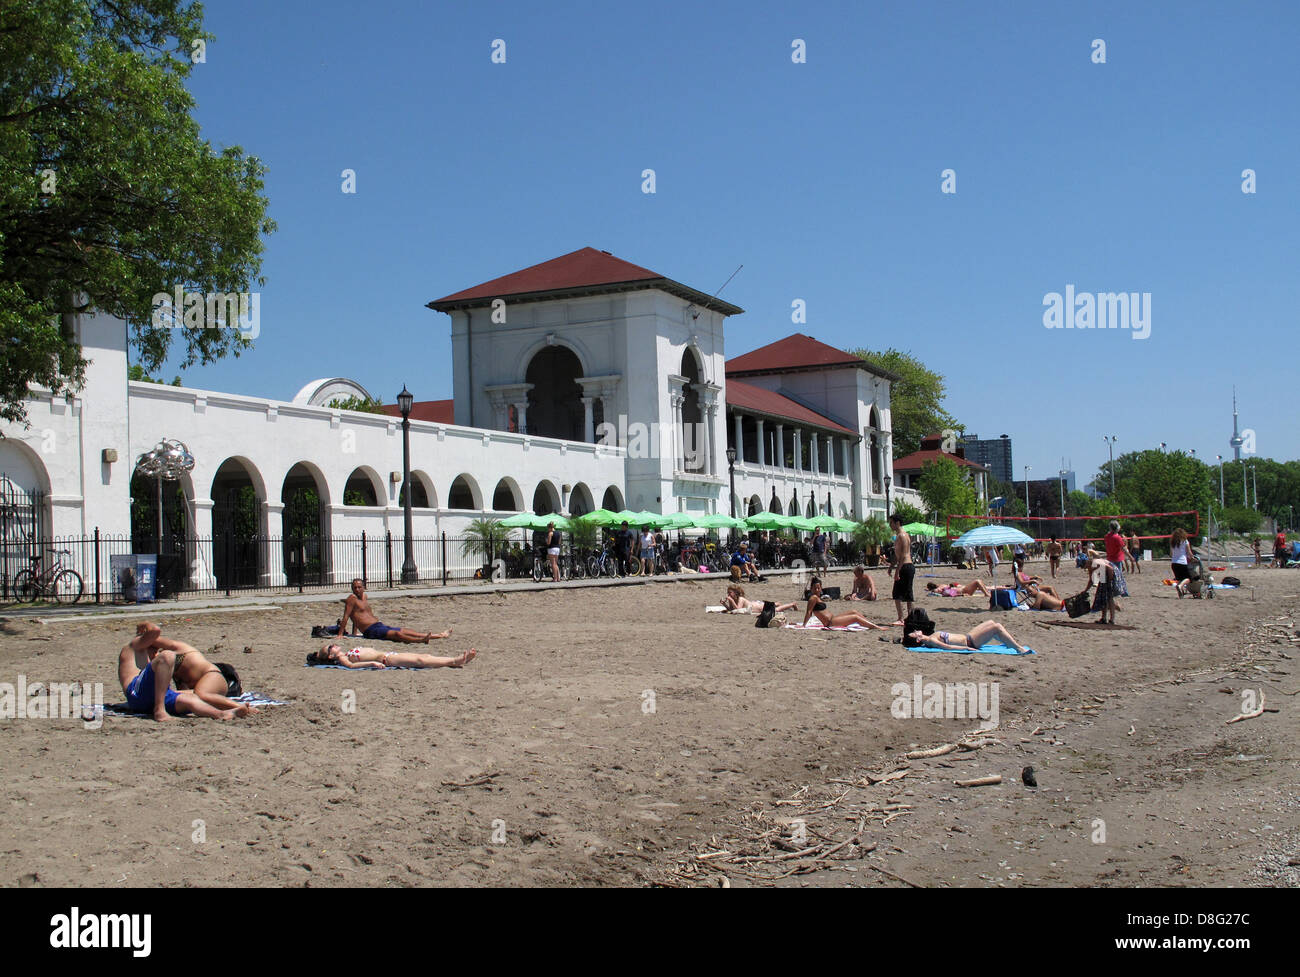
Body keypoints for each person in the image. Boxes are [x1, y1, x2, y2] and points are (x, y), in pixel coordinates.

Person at [118, 623, 256, 721]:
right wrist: (144, 626)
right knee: (168, 657)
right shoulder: (133, 648)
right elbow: (154, 632)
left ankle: (221, 714)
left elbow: (155, 632)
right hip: (136, 694)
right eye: (153, 650)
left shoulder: (174, 649)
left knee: (192, 699)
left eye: (156, 650)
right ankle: (159, 710)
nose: (155, 654)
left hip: (210, 675)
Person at [340, 578, 451, 643]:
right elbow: (347, 616)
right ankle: (421, 641)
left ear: (364, 587)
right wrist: (340, 634)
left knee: (405, 630)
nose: (357, 589)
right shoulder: (351, 599)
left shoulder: (365, 597)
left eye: (359, 587)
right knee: (397, 634)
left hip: (378, 625)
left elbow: (357, 616)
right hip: (370, 631)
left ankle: (439, 635)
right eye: (355, 587)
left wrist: (354, 633)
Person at [802, 577, 888, 630]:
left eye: (818, 588)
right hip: (830, 623)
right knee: (855, 617)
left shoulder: (817, 597)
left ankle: (870, 624)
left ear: (821, 588)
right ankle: (876, 627)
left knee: (854, 611)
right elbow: (809, 612)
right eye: (815, 588)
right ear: (811, 588)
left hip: (833, 618)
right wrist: (803, 625)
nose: (817, 590)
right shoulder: (813, 598)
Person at [310, 643, 477, 669]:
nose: (334, 645)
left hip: (388, 654)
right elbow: (352, 666)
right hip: (386, 659)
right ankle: (455, 661)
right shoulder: (342, 658)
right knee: (420, 660)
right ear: (331, 656)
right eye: (330, 647)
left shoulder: (346, 653)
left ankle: (453, 661)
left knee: (423, 655)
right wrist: (371, 664)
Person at [907, 620, 1030, 654]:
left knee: (991, 622)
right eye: (915, 633)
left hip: (969, 637)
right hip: (971, 643)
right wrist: (967, 649)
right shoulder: (932, 640)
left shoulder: (930, 637)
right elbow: (948, 647)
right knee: (996, 627)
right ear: (918, 639)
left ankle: (1007, 641)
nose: (917, 631)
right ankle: (1018, 648)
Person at [1083, 550, 1121, 624]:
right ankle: (1103, 618)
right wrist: (1085, 590)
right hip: (1104, 575)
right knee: (1103, 597)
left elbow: (1110, 568)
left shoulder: (1095, 562)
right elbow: (1092, 580)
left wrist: (1110, 581)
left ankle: (1112, 619)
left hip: (1111, 573)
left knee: (1109, 597)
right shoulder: (1090, 567)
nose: (1084, 567)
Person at [889, 515, 914, 625]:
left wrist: (897, 571)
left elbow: (903, 555)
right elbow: (897, 555)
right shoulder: (899, 536)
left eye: (891, 523)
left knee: (901, 593)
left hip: (906, 566)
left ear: (897, 523)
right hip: (904, 565)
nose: (890, 525)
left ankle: (902, 618)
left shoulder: (903, 536)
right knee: (901, 593)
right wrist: (891, 566)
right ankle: (906, 617)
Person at [722, 584, 798, 614]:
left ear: (735, 593)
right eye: (728, 593)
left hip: (758, 607)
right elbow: (731, 609)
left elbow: (737, 609)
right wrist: (724, 604)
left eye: (730, 593)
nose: (728, 594)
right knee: (773, 607)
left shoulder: (740, 599)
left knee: (776, 610)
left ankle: (792, 604)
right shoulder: (733, 600)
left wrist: (731, 600)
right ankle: (776, 604)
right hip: (756, 606)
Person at [1102, 521, 1130, 600]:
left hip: (1110, 559)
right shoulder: (1117, 537)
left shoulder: (1107, 536)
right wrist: (1130, 557)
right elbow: (1123, 549)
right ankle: (1122, 592)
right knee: (1119, 576)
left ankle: (1117, 592)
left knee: (1112, 576)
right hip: (1117, 559)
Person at [926, 579, 992, 598]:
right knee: (977, 581)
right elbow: (954, 594)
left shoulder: (944, 589)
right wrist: (962, 595)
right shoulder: (945, 591)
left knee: (979, 581)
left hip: (964, 589)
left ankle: (987, 593)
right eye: (938, 591)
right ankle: (986, 593)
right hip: (965, 591)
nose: (939, 590)